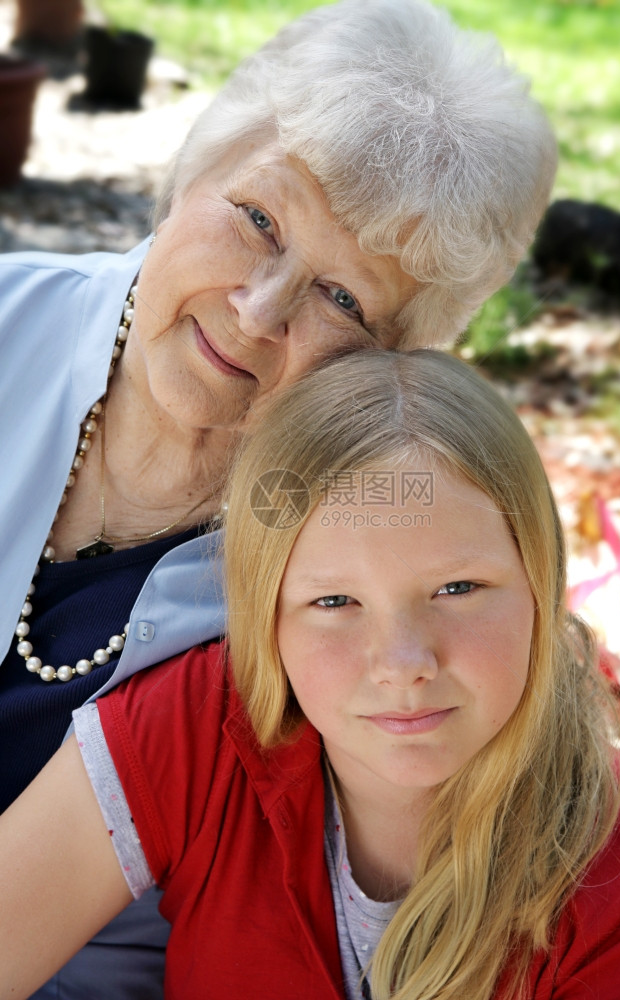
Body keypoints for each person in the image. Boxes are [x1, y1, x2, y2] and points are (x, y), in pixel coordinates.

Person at [0, 0, 556, 994]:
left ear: (393, 361)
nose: (259, 311)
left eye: (341, 299)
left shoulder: (356, 581)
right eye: (257, 219)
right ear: (194, 169)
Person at [1, 349, 620, 1000]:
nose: (403, 664)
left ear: (540, 583)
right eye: (334, 602)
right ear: (267, 620)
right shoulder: (204, 722)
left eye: (458, 588)